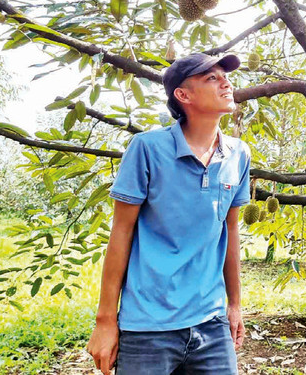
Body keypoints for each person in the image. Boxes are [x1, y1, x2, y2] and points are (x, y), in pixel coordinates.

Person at [86, 53, 251, 375]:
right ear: (183, 95)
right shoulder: (146, 148)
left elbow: (230, 231)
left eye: (225, 76)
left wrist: (234, 305)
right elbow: (121, 232)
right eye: (212, 78)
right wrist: (105, 321)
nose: (226, 83)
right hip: (148, 324)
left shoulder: (238, 154)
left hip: (211, 321)